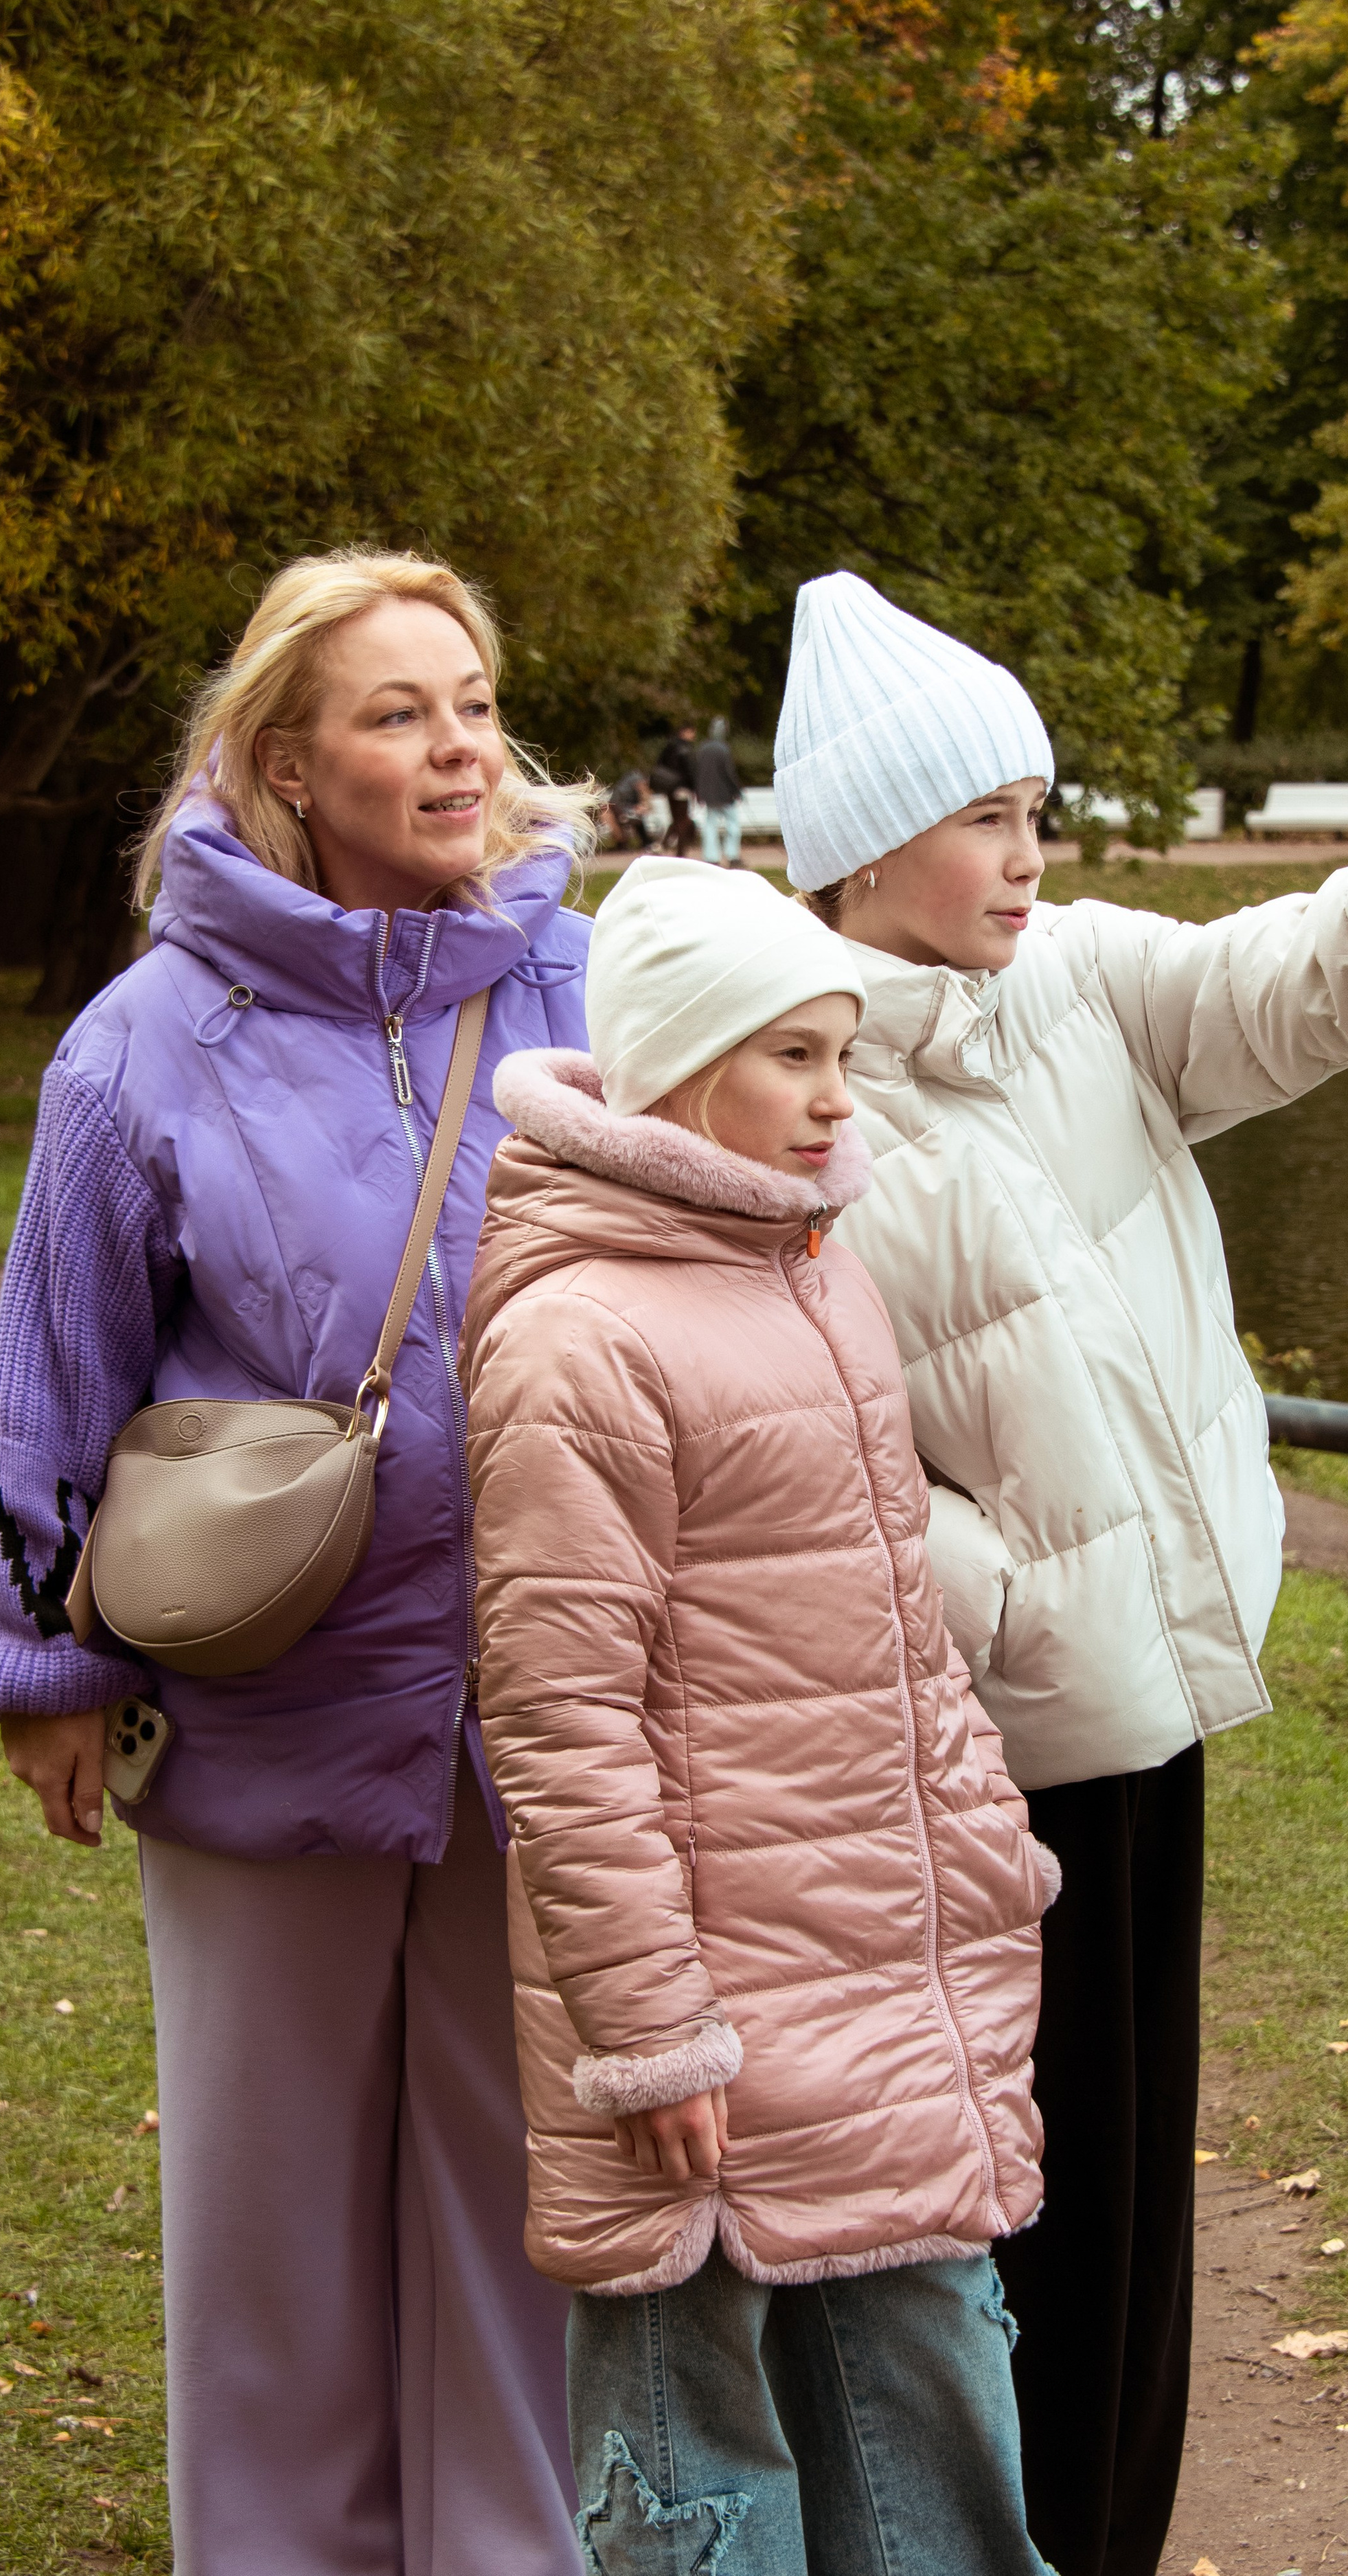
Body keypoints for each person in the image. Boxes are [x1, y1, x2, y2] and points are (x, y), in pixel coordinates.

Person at [770, 569, 1348, 2576]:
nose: (1028, 851)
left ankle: (1104, 2535)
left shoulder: (1085, 987)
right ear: (860, 847)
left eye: (1037, 805)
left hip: (1142, 1705)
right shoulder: (798, 1081)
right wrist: (996, 1596)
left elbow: (1299, 968)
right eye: (982, 817)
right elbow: (776, 1425)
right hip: (970, 1745)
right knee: (1006, 2205)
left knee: (1130, 2197)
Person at [0, 549, 599, 2576]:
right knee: (274, 2230)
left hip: (533, 1704)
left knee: (519, 2215)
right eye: (397, 711)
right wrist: (45, 1675)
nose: (455, 745)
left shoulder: (579, 986)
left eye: (473, 700)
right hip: (264, 1705)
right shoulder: (148, 1037)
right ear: (287, 762)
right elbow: (54, 1371)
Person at [460, 857, 1058, 2571]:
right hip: (705, 2011)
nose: (829, 1096)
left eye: (841, 1055)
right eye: (788, 1054)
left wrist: (980, 1841)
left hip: (877, 1961)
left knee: (928, 2375)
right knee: (690, 2431)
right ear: (669, 1062)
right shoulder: (581, 1336)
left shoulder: (816, 1274)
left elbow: (895, 1630)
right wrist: (647, 2025)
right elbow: (564, 1718)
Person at [695, 712, 746, 866]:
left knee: (710, 826)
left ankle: (712, 858)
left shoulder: (703, 749)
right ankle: (732, 856)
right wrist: (737, 791)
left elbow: (698, 774)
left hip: (709, 796)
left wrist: (700, 793)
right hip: (725, 795)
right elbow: (729, 774)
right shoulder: (723, 749)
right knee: (733, 825)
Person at [651, 719, 701, 857]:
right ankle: (680, 851)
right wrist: (696, 789)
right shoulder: (686, 749)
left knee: (677, 818)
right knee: (683, 820)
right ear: (686, 732)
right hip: (682, 788)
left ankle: (663, 846)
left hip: (669, 787)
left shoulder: (669, 747)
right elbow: (691, 771)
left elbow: (660, 765)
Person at [604, 765, 654, 852]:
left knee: (637, 818)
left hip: (619, 807)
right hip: (620, 808)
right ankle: (645, 842)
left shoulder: (628, 781)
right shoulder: (637, 779)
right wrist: (643, 806)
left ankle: (642, 842)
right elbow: (644, 793)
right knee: (637, 818)